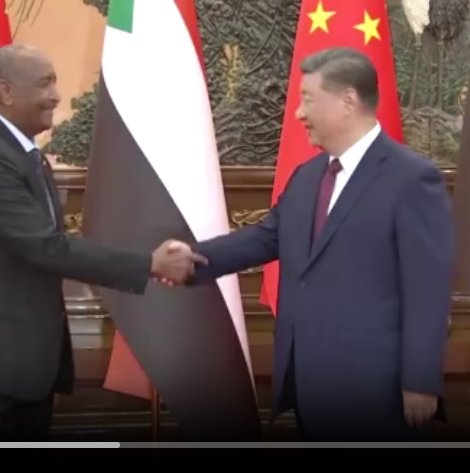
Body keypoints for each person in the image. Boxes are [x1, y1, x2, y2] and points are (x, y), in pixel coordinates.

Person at [0, 44, 205, 441]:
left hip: (19, 365)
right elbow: (46, 247)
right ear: (6, 91)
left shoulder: (22, 154)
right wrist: (149, 264)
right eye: (45, 84)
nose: (55, 96)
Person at [178, 47, 454, 441]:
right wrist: (190, 259)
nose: (298, 113)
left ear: (348, 101)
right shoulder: (307, 176)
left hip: (379, 389)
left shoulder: (412, 179)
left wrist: (421, 381)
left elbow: (428, 289)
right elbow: (267, 237)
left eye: (308, 99)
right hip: (309, 382)